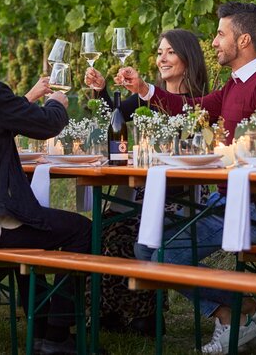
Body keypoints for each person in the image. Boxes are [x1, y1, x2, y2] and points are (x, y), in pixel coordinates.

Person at [116, 1, 256, 354]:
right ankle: (234, 311)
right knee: (145, 246)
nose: (213, 42)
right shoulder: (234, 85)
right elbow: (190, 110)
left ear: (243, 40)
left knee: (162, 255)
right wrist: (144, 90)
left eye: (220, 34)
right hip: (224, 202)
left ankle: (241, 311)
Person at [0, 12, 92, 355]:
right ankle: (57, 336)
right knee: (81, 230)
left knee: (34, 224)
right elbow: (46, 125)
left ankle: (40, 322)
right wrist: (58, 101)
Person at [84, 29, 210, 336]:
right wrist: (100, 91)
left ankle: (146, 315)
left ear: (187, 57)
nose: (162, 58)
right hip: (140, 191)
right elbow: (115, 118)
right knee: (107, 227)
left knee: (133, 229)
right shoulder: (145, 95)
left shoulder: (200, 102)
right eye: (159, 52)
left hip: (182, 193)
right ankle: (109, 311)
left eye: (170, 52)